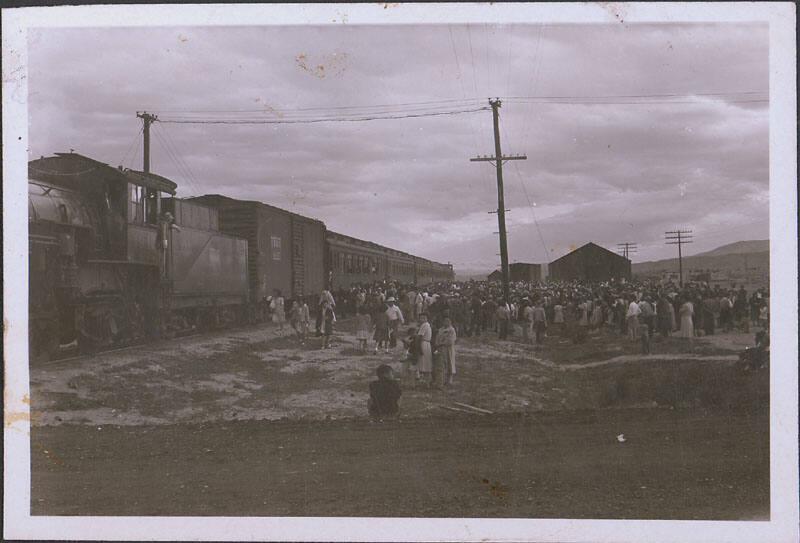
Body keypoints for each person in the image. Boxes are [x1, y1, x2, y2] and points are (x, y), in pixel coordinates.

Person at [434, 317, 457, 386]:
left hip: (448, 348)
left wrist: (442, 343)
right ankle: (441, 379)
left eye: (448, 321)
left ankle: (449, 379)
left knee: (449, 362)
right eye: (445, 321)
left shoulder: (451, 330)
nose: (446, 322)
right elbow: (437, 338)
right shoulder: (441, 329)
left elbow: (451, 340)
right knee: (441, 363)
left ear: (450, 322)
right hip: (441, 348)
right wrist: (437, 343)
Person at [416, 313, 433, 385]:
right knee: (425, 362)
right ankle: (426, 380)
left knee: (424, 362)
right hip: (426, 343)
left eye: (424, 318)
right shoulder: (426, 325)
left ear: (426, 318)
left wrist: (418, 347)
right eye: (421, 318)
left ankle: (426, 380)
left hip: (424, 343)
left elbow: (419, 336)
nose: (422, 319)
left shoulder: (425, 325)